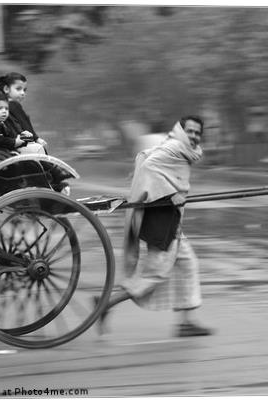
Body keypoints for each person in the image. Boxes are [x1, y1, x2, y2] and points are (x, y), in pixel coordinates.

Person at [96, 115, 212, 338]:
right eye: (190, 131)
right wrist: (170, 194)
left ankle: (186, 323)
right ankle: (106, 303)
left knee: (188, 264)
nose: (194, 136)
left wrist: (172, 194)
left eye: (198, 132)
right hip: (161, 219)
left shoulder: (182, 151)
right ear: (181, 130)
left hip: (170, 218)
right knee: (154, 275)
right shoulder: (173, 148)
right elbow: (149, 167)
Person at [0, 72, 48, 151]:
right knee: (41, 147)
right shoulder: (13, 105)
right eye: (18, 89)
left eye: (24, 90)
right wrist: (37, 138)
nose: (23, 93)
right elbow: (25, 124)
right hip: (18, 141)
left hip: (10, 141)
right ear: (6, 89)